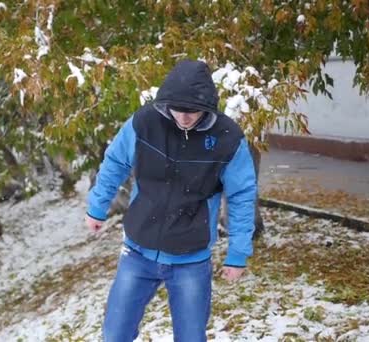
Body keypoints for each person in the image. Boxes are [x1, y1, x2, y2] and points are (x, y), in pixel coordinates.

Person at [85, 59, 257, 342]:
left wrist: (238, 253)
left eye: (193, 111)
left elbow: (241, 196)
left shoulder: (228, 137)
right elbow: (115, 162)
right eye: (178, 109)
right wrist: (97, 207)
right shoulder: (144, 123)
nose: (184, 117)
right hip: (137, 253)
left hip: (191, 259)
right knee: (114, 335)